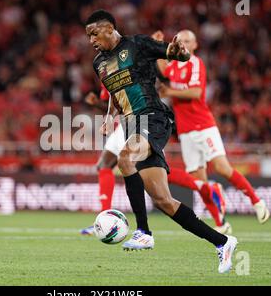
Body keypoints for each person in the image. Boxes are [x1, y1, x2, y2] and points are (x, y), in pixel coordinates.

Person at [85, 9, 237, 273]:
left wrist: (180, 51)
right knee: (164, 201)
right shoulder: (99, 62)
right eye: (88, 36)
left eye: (94, 33)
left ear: (109, 28)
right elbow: (113, 92)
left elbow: (178, 54)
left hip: (153, 118)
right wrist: (110, 117)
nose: (91, 40)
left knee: (124, 157)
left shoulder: (138, 45)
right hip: (132, 125)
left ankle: (143, 231)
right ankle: (223, 242)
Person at [154, 30, 270, 228]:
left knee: (222, 167)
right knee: (199, 181)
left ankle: (256, 201)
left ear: (195, 45)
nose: (182, 44)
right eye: (179, 40)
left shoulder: (195, 62)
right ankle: (221, 222)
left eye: (187, 41)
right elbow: (163, 69)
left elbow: (196, 92)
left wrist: (170, 91)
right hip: (185, 131)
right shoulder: (174, 64)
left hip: (203, 125)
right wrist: (157, 46)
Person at [80, 84, 227, 236]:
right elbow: (119, 104)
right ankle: (106, 218)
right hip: (127, 123)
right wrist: (99, 105)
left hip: (144, 121)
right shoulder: (108, 70)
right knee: (108, 164)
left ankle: (205, 188)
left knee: (152, 172)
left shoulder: (127, 67)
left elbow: (136, 98)